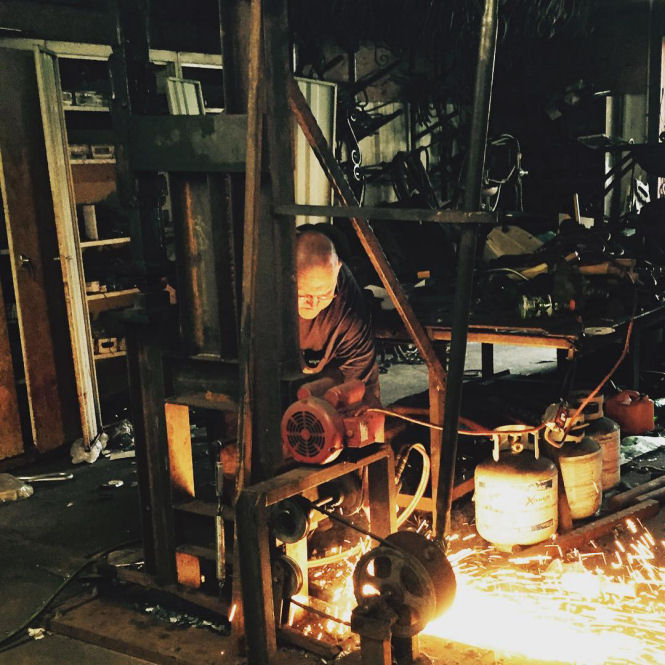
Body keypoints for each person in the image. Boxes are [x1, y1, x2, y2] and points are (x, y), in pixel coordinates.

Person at [297, 229, 381, 406]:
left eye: (324, 295)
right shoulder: (264, 291)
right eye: (304, 295)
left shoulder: (348, 309)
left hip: (327, 373)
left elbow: (361, 382)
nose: (314, 304)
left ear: (337, 270)